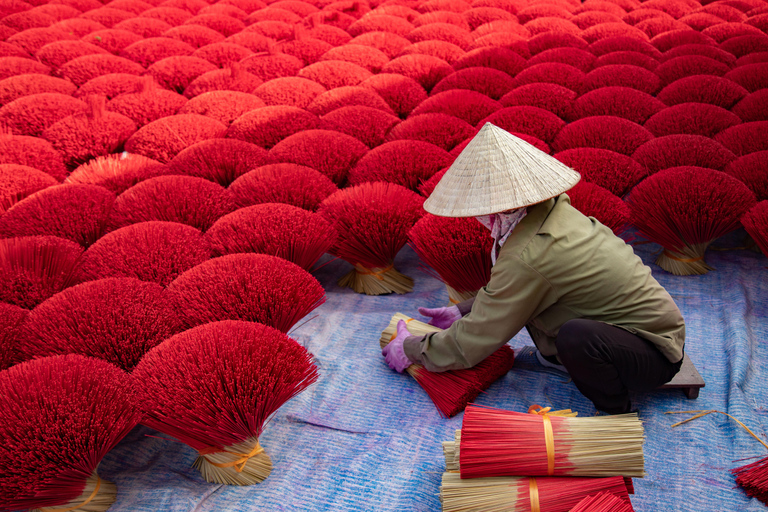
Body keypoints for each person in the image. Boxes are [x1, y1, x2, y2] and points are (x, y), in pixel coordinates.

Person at [382, 123, 685, 414]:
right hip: (635, 333)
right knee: (562, 322)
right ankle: (578, 361)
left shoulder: (530, 253)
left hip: (653, 352)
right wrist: (461, 311)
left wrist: (411, 350)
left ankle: (615, 409)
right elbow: (521, 289)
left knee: (577, 338)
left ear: (500, 208)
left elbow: (473, 341)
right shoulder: (553, 213)